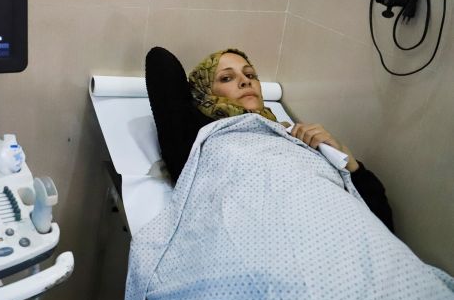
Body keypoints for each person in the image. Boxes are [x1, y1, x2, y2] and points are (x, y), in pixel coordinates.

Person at [145, 46, 394, 232]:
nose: (246, 81)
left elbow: (379, 221)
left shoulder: (293, 135)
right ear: (203, 94)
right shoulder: (199, 136)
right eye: (226, 78)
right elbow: (160, 61)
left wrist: (349, 161)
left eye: (251, 75)